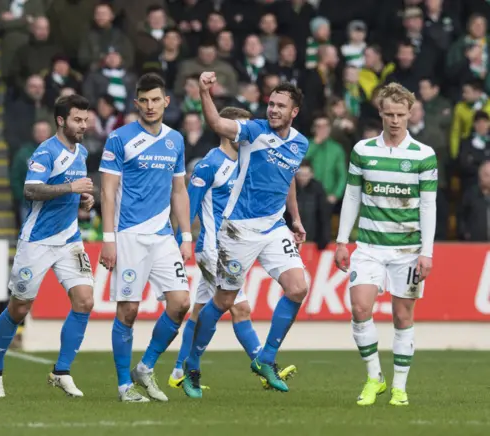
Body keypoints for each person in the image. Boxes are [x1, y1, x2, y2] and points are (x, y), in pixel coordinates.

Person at [181, 72, 309, 399]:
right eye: (271, 104)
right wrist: (205, 92)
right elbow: (217, 124)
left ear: (294, 112)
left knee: (298, 288)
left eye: (281, 105)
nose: (273, 109)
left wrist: (294, 218)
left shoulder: (299, 142)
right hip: (238, 230)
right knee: (224, 301)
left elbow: (288, 178)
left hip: (274, 227)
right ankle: (191, 364)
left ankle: (265, 358)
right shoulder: (253, 131)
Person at [0, 95, 96, 398]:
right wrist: (72, 188)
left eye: (85, 119)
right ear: (61, 121)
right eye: (77, 119)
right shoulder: (45, 152)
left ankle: (61, 371)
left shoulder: (82, 151)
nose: (83, 125)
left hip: (70, 239)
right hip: (37, 241)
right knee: (19, 308)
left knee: (85, 301)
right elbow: (30, 189)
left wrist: (83, 198)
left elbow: (73, 191)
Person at [334, 82, 437, 407]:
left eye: (400, 114)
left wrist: (427, 252)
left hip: (407, 251)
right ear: (380, 113)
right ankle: (374, 378)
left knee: (402, 317)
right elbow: (352, 196)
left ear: (410, 113)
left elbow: (427, 205)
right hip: (368, 247)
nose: (395, 120)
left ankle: (399, 387)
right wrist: (341, 241)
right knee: (360, 308)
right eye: (389, 114)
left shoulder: (424, 155)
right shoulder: (363, 150)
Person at [99, 73, 192, 403]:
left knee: (181, 303)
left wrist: (186, 235)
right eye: (145, 100)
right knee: (128, 310)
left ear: (166, 101)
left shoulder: (176, 140)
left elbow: (179, 190)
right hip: (128, 235)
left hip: (164, 235)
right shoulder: (119, 139)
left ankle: (146, 366)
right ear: (136, 103)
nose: (150, 106)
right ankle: (125, 386)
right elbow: (107, 192)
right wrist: (107, 238)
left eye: (156, 100)